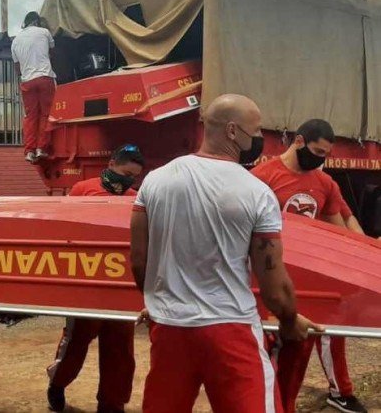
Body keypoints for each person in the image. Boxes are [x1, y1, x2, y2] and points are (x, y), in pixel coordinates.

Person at [130, 94, 321, 413]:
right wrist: (289, 320)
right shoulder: (256, 192)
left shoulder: (155, 181)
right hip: (231, 329)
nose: (259, 138)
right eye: (256, 131)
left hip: (170, 327)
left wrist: (158, 301)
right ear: (233, 131)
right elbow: (273, 285)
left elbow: (139, 260)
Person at [251, 119, 368, 413]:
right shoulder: (262, 177)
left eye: (325, 155)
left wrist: (366, 253)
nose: (320, 159)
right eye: (317, 152)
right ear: (299, 141)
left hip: (307, 281)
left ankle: (291, 405)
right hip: (270, 277)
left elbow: (340, 229)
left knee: (302, 350)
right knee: (268, 353)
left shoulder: (324, 183)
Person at [47, 145, 144, 413]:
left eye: (133, 177)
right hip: (88, 284)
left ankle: (112, 404)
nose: (128, 181)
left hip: (120, 285)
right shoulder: (83, 190)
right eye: (125, 173)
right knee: (76, 343)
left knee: (120, 350)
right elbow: (64, 228)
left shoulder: (135, 198)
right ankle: (57, 383)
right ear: (111, 164)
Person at [11, 11, 56, 164]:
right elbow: (52, 53)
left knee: (30, 116)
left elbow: (17, 68)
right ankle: (41, 148)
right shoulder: (45, 32)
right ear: (37, 22)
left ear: (25, 23)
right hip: (44, 78)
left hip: (27, 82)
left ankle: (29, 151)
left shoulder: (15, 41)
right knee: (46, 114)